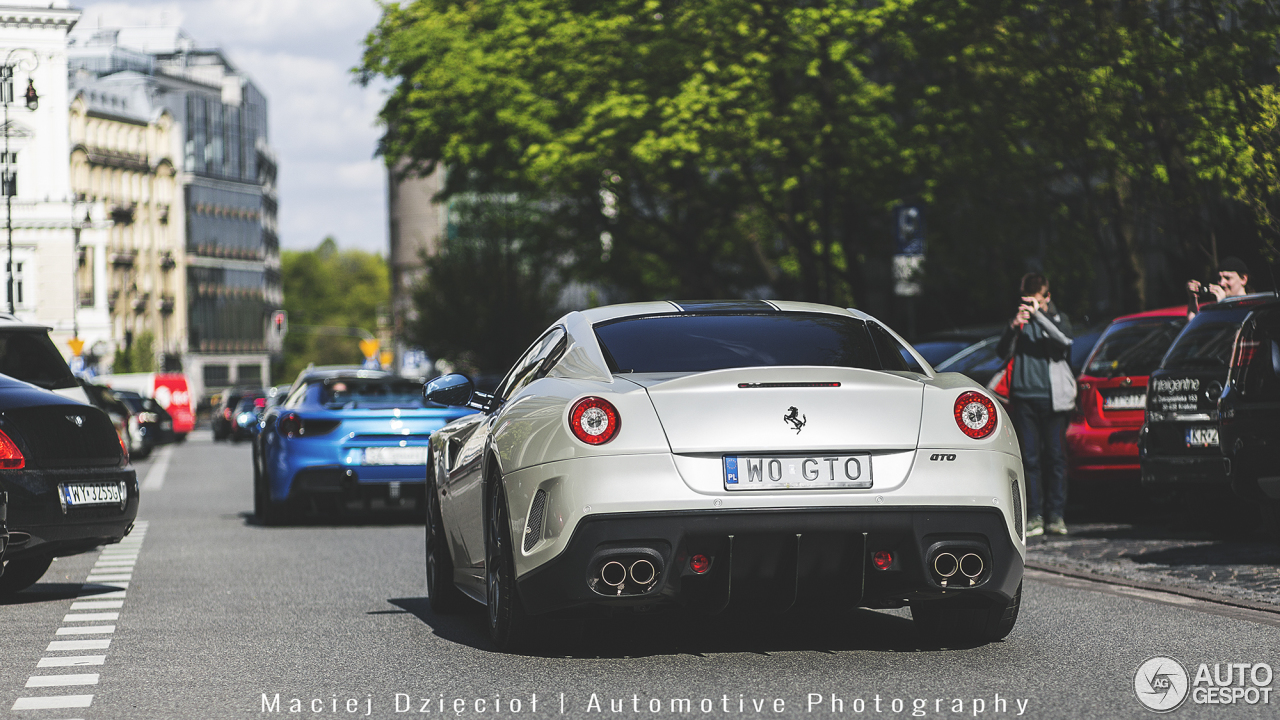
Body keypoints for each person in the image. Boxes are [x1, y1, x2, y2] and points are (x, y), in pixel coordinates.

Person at [996, 273, 1074, 537]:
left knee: (1055, 457)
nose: (1030, 305)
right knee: (1029, 459)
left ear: (1046, 298)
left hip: (1053, 399)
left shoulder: (1056, 318)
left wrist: (1039, 315)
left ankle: (1056, 515)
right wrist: (1012, 326)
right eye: (1026, 300)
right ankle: (1035, 516)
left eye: (1035, 300)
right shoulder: (1021, 322)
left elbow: (1064, 341)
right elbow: (1000, 351)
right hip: (1023, 397)